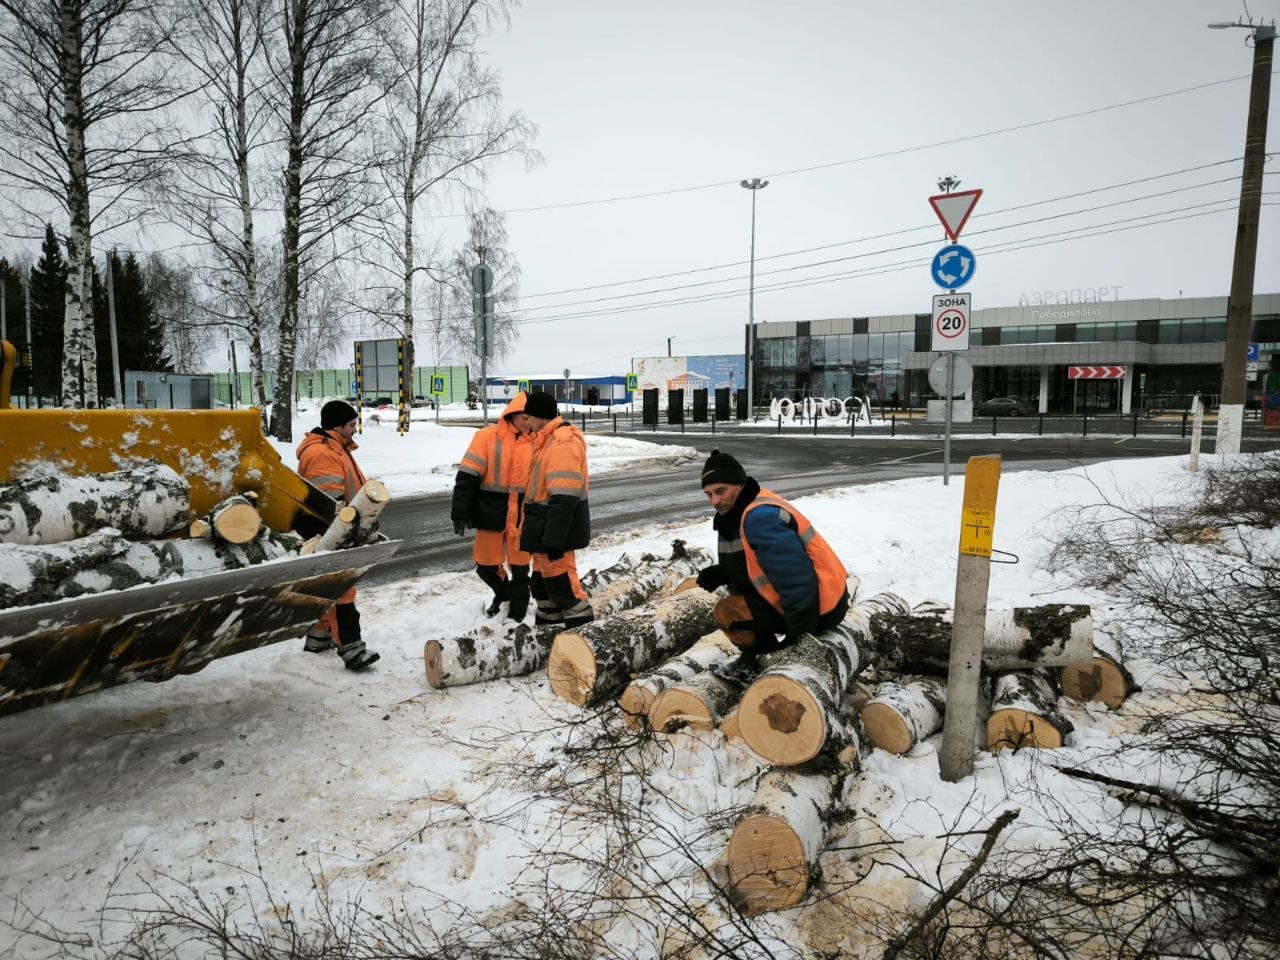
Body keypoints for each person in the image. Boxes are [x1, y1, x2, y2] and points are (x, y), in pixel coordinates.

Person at [694, 448, 849, 681]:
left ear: (739, 484)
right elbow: (758, 567)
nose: (715, 500)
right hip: (818, 598)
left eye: (720, 491)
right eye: (709, 494)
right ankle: (763, 654)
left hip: (821, 606)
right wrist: (724, 574)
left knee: (727, 612)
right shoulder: (737, 512)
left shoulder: (759, 517)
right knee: (735, 600)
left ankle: (760, 658)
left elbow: (796, 579)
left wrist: (799, 639)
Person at [295, 399, 381, 671]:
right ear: (338, 425)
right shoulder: (322, 453)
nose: (355, 429)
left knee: (328, 589)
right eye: (352, 424)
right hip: (330, 531)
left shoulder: (336, 448)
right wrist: (350, 529)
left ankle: (319, 638)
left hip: (339, 528)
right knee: (341, 591)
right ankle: (352, 650)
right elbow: (330, 501)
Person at [450, 391, 535, 620]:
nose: (527, 423)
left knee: (520, 568)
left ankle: (517, 616)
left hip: (523, 515)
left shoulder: (538, 440)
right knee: (486, 566)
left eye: (531, 418)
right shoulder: (487, 437)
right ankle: (503, 594)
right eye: (523, 417)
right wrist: (460, 512)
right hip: (491, 511)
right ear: (512, 414)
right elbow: (467, 477)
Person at [518, 391, 594, 628]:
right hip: (545, 529)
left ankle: (586, 636)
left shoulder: (562, 443)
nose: (525, 422)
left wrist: (554, 539)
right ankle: (548, 635)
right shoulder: (546, 441)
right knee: (542, 586)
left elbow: (564, 497)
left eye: (528, 417)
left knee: (565, 588)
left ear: (540, 416)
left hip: (553, 533)